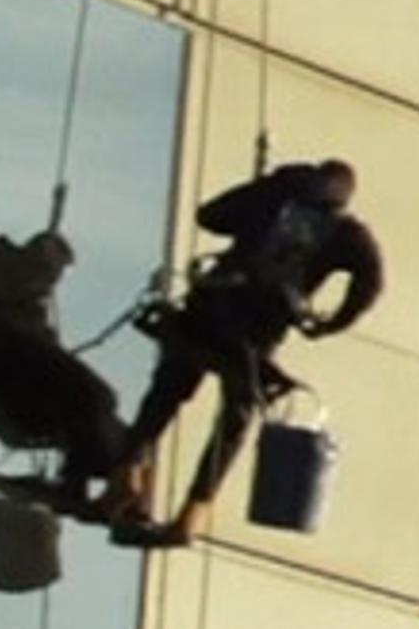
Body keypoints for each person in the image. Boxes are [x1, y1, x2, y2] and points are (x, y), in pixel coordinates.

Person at [107, 159, 382, 547]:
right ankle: (192, 514)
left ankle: (125, 478)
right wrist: (327, 324)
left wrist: (265, 186)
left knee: (167, 392)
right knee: (234, 418)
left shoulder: (279, 195)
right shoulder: (348, 235)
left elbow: (212, 216)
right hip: (257, 331)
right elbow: (370, 284)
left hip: (211, 308)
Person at [0, 225, 126, 519]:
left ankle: (105, 487)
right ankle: (77, 486)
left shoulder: (19, 311)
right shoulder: (1, 302)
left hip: (25, 387)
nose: (51, 283)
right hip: (13, 385)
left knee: (118, 425)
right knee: (96, 398)